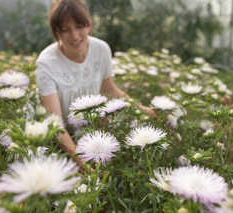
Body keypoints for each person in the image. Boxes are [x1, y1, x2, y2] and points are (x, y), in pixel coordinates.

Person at [36, 0, 155, 174]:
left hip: (92, 130)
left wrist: (144, 110)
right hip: (61, 141)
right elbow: (55, 124)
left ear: (89, 24)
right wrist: (79, 160)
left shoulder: (101, 49)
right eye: (65, 30)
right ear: (56, 32)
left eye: (79, 26)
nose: (75, 36)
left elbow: (110, 90)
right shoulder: (46, 64)